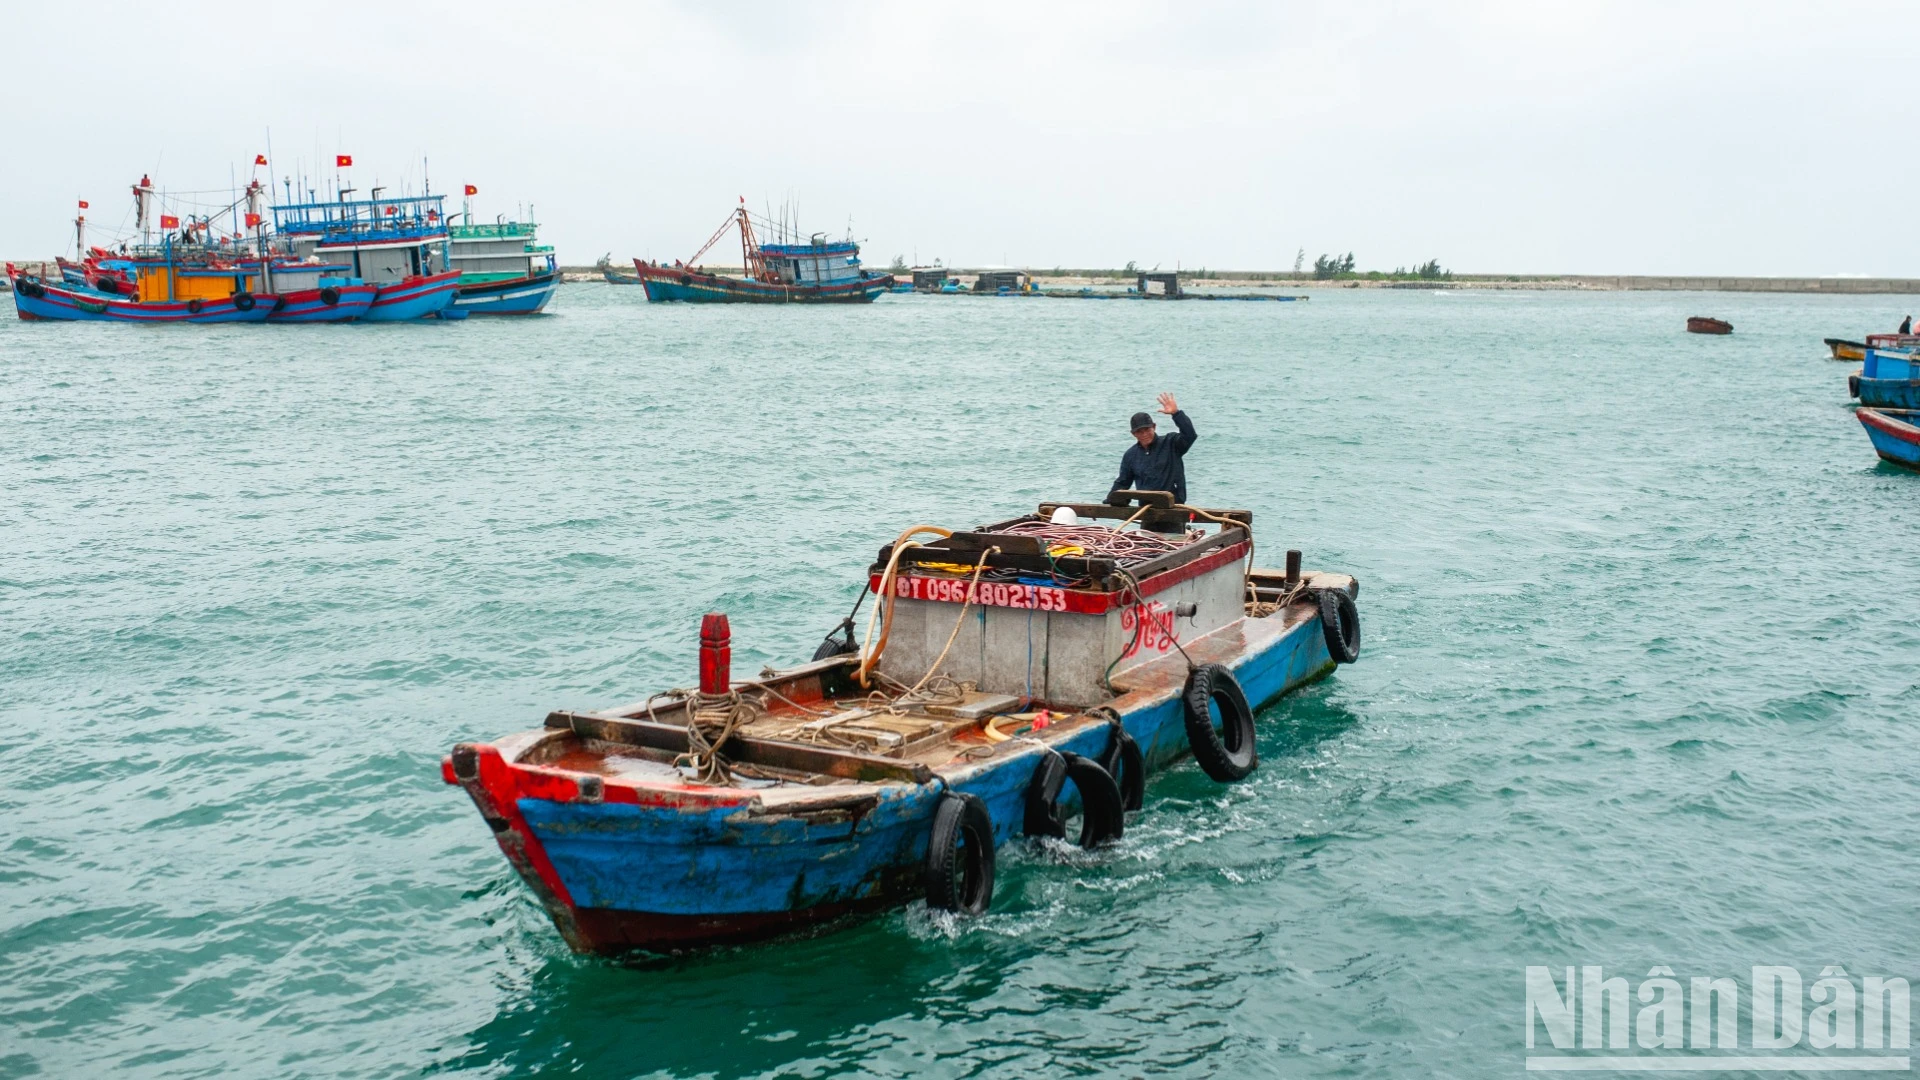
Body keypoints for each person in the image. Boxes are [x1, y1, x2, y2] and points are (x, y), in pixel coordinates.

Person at [1109, 392, 1198, 507]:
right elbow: (1123, 482)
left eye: (1147, 429)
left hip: (1174, 509)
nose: (1144, 434)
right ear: (1133, 434)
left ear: (1154, 427)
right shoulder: (1131, 455)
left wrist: (1176, 414)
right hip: (1146, 510)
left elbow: (1190, 435)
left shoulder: (1171, 443)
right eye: (1139, 431)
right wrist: (1108, 502)